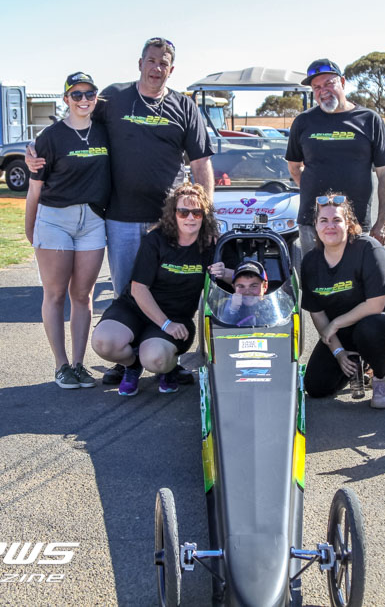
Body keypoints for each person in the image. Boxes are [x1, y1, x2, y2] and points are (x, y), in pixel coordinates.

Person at [26, 37, 215, 386]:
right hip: (121, 217)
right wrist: (38, 151)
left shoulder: (185, 107)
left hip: (169, 221)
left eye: (164, 63)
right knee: (127, 291)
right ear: (140, 63)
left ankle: (164, 357)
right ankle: (127, 361)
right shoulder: (114, 99)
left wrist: (205, 213)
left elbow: (201, 163)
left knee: (173, 289)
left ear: (172, 69)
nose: (157, 68)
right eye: (151, 60)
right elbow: (77, 121)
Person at [25, 72, 111, 389]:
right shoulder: (50, 137)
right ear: (66, 99)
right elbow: (34, 189)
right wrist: (31, 230)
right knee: (56, 294)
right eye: (76, 94)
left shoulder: (105, 131)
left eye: (89, 94)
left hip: (93, 221)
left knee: (83, 295)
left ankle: (78, 364)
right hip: (54, 220)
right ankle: (61, 365)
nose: (83, 100)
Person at [91, 183, 218, 396]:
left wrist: (226, 272)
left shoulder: (211, 245)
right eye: (183, 212)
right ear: (173, 214)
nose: (190, 218)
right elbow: (139, 288)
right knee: (104, 342)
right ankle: (132, 365)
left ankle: (167, 369)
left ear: (204, 216)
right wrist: (165, 324)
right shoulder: (156, 240)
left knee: (156, 359)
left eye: (197, 212)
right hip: (136, 308)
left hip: (176, 317)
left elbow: (238, 280)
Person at [299, 193, 385, 408]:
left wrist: (335, 324)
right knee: (317, 387)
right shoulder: (310, 261)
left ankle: (381, 376)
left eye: (337, 220)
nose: (330, 226)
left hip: (381, 321)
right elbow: (317, 314)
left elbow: (375, 305)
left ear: (348, 223)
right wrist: (338, 353)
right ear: (316, 225)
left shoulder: (369, 249)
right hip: (343, 330)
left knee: (369, 329)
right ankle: (359, 361)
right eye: (324, 220)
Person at [286, 58, 385, 254]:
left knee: (358, 272)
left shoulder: (369, 120)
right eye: (317, 87)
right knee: (315, 272)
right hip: (313, 224)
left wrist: (383, 221)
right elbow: (295, 167)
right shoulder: (303, 122)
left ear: (343, 82)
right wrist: (313, 191)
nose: (323, 90)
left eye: (329, 83)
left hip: (357, 223)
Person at [208, 260, 271, 326]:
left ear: (265, 286)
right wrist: (232, 310)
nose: (247, 292)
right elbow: (219, 328)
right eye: (241, 286)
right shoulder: (222, 306)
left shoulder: (272, 307)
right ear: (234, 287)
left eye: (253, 286)